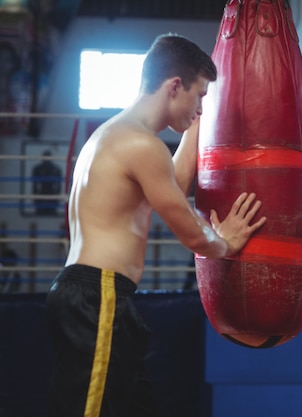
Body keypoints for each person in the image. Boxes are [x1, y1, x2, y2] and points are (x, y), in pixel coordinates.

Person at [45, 34, 267, 417]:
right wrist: (226, 242)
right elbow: (191, 232)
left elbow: (173, 185)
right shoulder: (138, 145)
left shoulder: (118, 136)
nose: (200, 109)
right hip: (99, 297)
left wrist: (199, 123)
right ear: (174, 86)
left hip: (100, 295)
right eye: (199, 97)